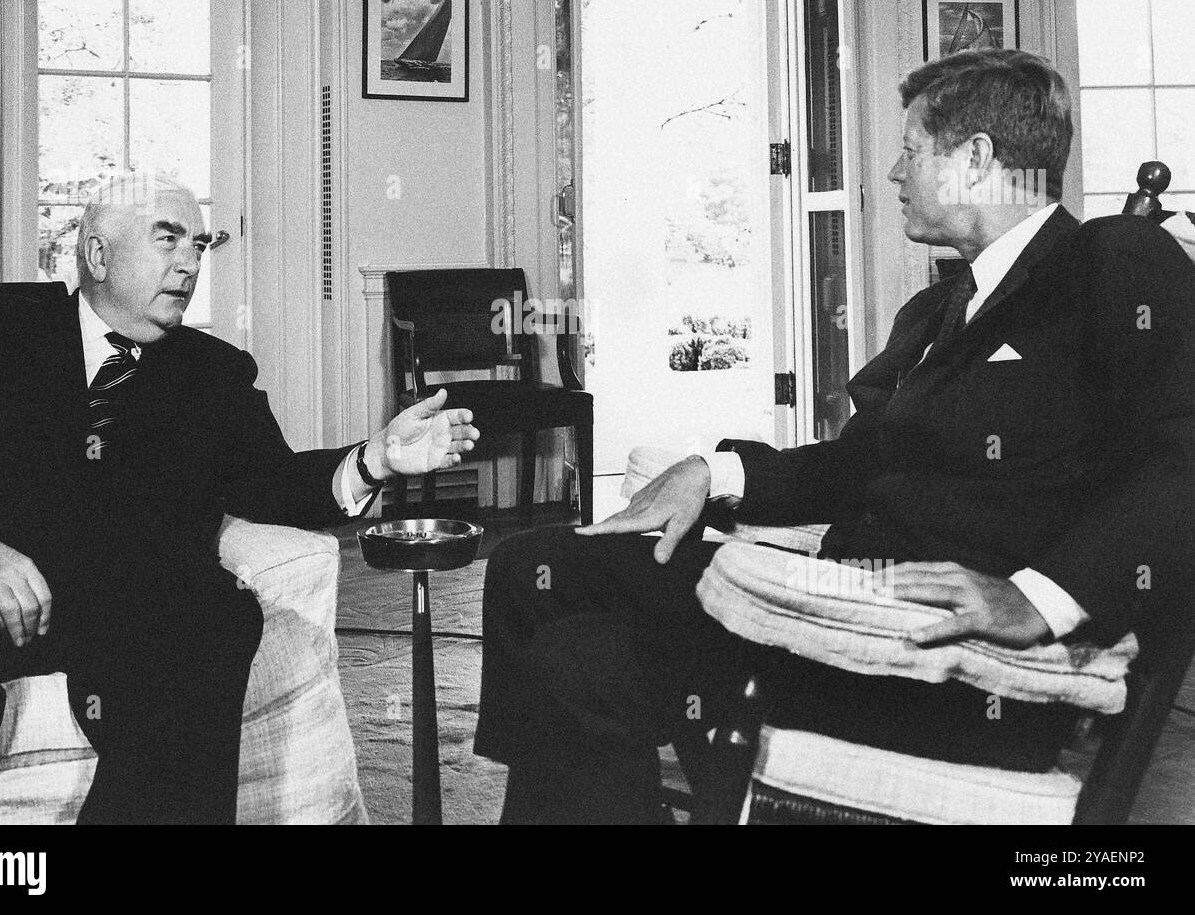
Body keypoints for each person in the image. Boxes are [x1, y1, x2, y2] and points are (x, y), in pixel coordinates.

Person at [474, 48, 1195, 824]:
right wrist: (710, 475)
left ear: (976, 160)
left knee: (564, 628)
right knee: (551, 604)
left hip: (952, 668)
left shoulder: (1111, 260)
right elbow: (859, 462)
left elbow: (1182, 456)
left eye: (912, 150)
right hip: (840, 614)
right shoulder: (939, 310)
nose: (891, 172)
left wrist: (1035, 598)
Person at [0, 173, 479, 824]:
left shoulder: (215, 372)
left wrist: (375, 458)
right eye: (168, 240)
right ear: (98, 255)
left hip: (140, 604)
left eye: (198, 245)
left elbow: (274, 482)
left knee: (215, 617)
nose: (190, 263)